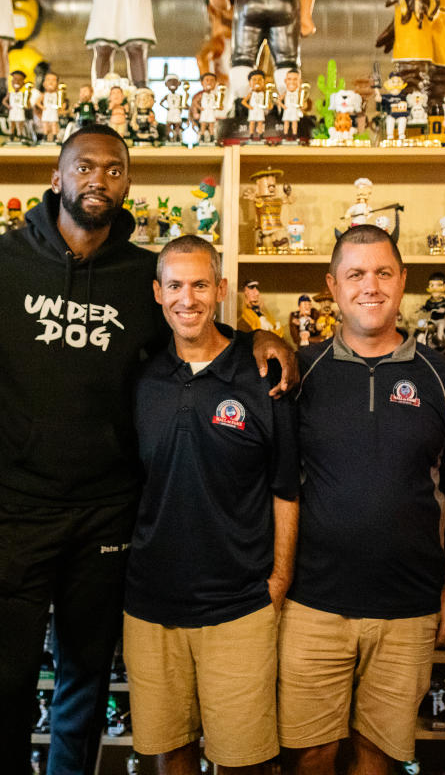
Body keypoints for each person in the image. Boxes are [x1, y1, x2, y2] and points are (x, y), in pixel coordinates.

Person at [0, 123, 295, 775]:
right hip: (14, 512)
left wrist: (262, 342)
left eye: (114, 170)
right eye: (85, 167)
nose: (99, 179)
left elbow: (196, 330)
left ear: (127, 183)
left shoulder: (140, 275)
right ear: (57, 177)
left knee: (84, 684)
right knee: (8, 686)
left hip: (107, 515)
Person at [279, 225, 445, 775]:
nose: (371, 286)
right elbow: (280, 487)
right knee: (308, 755)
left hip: (408, 605)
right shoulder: (299, 370)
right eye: (355, 274)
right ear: (332, 286)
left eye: (384, 272)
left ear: (403, 281)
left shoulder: (442, 374)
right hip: (313, 601)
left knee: (378, 756)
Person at [124, 236, 298, 773]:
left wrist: (278, 582)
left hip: (238, 605)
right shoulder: (142, 377)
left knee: (243, 762)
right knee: (169, 753)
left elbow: (286, 487)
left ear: (221, 289)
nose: (187, 298)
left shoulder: (263, 374)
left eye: (200, 284)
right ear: (157, 292)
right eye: (175, 285)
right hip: (151, 606)